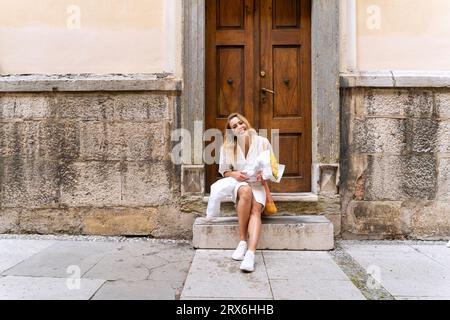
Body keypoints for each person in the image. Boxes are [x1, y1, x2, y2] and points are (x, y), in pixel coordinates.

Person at [218, 113, 275, 272]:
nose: (239, 127)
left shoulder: (263, 142)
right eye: (234, 126)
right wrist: (234, 174)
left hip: (258, 185)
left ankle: (250, 254)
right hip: (240, 184)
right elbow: (224, 171)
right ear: (231, 132)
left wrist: (262, 174)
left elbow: (271, 169)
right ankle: (242, 241)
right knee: (245, 191)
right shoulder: (227, 147)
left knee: (256, 209)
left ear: (246, 123)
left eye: (240, 123)